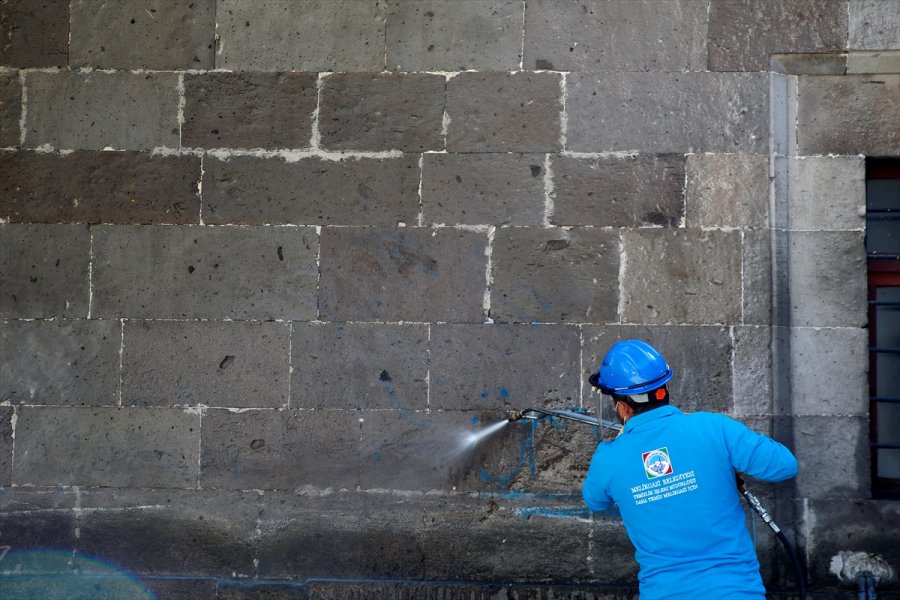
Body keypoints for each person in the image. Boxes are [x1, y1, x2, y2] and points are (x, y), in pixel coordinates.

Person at [582, 339, 798, 600]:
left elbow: (595, 502)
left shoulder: (608, 457)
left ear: (622, 407)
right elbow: (784, 465)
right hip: (735, 592)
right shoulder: (714, 428)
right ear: (664, 388)